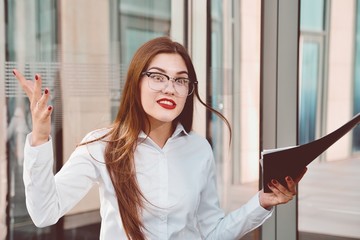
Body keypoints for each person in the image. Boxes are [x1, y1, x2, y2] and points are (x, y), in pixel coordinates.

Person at [13, 37, 306, 240]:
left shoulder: (198, 148)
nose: (169, 88)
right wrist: (39, 137)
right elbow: (44, 213)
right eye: (157, 76)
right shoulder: (102, 145)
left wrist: (262, 203)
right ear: (135, 82)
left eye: (180, 80)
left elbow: (211, 233)